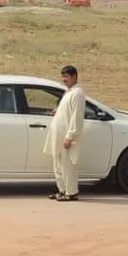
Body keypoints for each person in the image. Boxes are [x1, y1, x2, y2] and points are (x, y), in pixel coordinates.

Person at [44, 65, 86, 202]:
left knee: (68, 166)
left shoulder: (77, 94)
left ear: (74, 77)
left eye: (66, 76)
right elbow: (66, 109)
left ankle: (72, 193)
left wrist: (70, 137)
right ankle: (62, 190)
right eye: (63, 76)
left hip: (67, 137)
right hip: (58, 135)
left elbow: (76, 117)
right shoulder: (68, 92)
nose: (64, 79)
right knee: (58, 165)